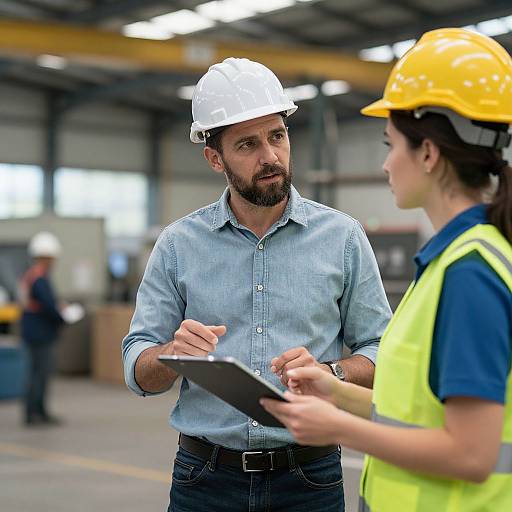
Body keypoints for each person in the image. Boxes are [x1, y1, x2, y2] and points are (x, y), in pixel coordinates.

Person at [122, 57, 391, 512]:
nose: (270, 156)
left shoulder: (342, 237)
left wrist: (331, 374)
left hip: (310, 478)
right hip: (204, 479)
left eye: (277, 136)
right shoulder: (178, 245)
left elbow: (383, 350)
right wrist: (174, 354)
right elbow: (137, 367)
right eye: (247, 144)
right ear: (214, 158)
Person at [261, 28, 512, 511]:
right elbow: (414, 414)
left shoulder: (470, 273)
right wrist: (334, 392)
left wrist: (338, 429)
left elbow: (471, 452)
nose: (385, 165)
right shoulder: (454, 261)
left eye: (390, 143)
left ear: (429, 153)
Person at [19, 231, 65, 426]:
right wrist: (61, 317)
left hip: (33, 332)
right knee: (40, 374)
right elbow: (48, 305)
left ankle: (36, 411)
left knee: (36, 373)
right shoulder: (39, 278)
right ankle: (35, 413)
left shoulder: (32, 275)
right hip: (40, 333)